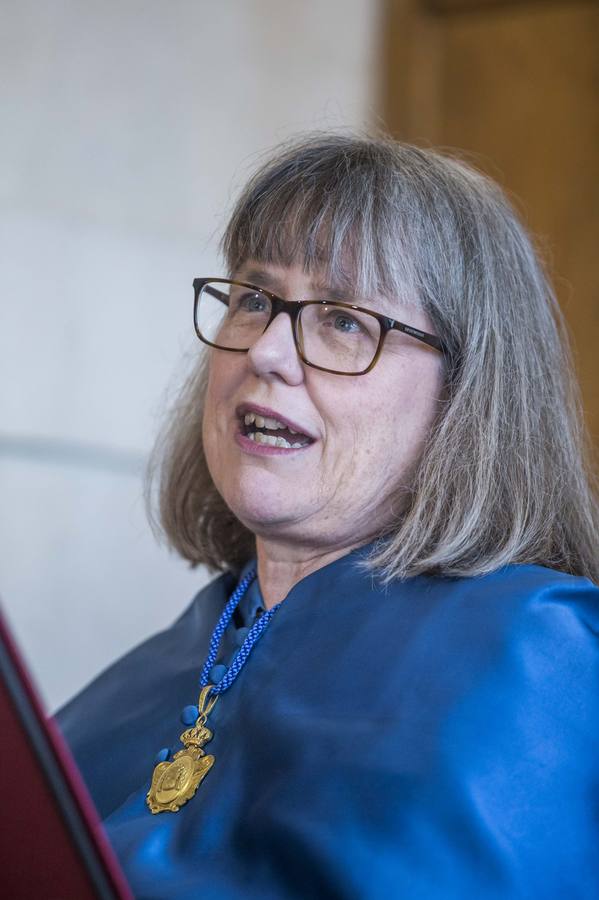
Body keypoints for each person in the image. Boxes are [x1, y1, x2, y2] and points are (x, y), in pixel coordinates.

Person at [57, 134, 599, 899]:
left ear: (468, 394)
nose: (269, 351)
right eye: (254, 299)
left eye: (344, 319)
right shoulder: (172, 652)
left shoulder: (536, 648)